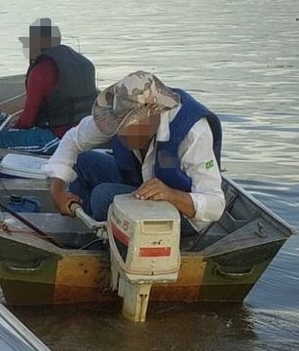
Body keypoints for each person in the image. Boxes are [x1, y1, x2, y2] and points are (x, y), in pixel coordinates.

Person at [43, 70, 225, 234]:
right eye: (118, 127)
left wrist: (171, 195)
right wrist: (57, 191)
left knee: (103, 197)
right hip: (139, 184)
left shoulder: (193, 131)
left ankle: (109, 241)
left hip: (180, 215)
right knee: (84, 161)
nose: (121, 134)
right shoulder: (119, 111)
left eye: (130, 127)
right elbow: (73, 140)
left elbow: (215, 204)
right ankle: (89, 233)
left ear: (155, 115)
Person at [0, 18, 97, 154]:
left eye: (30, 41)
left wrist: (14, 125)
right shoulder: (86, 63)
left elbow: (27, 122)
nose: (28, 46)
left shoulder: (39, 71)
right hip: (88, 134)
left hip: (57, 139)